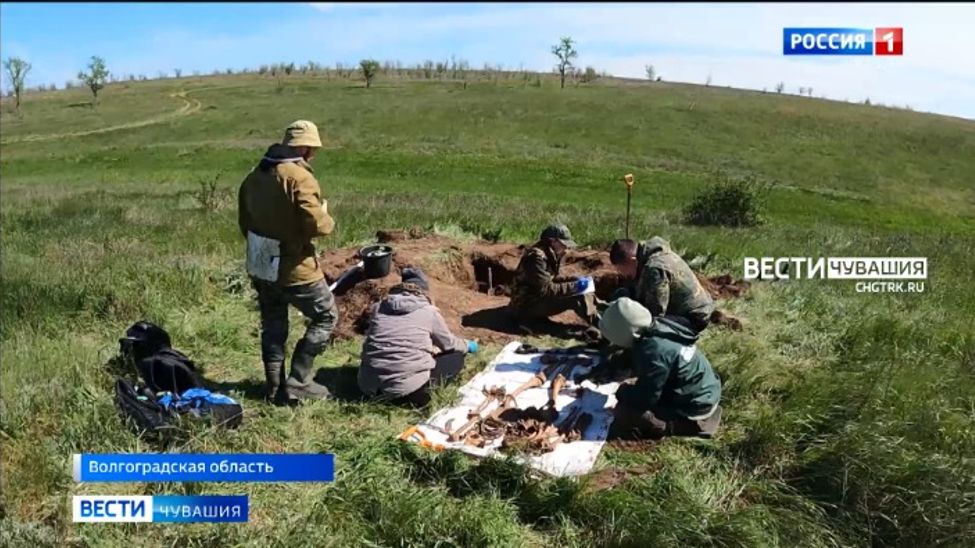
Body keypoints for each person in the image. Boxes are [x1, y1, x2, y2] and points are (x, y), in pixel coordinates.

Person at [238, 120, 338, 404]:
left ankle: (274, 388)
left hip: (260, 264)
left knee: (273, 324)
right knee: (326, 316)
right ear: (305, 147)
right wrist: (326, 217)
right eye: (313, 149)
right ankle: (300, 380)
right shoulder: (299, 177)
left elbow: (245, 223)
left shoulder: (254, 176)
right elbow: (317, 224)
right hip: (295, 268)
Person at [601, 297, 722, 439]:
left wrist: (624, 392)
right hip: (706, 388)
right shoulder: (660, 327)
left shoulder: (654, 351)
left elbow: (646, 397)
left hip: (697, 404)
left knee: (626, 412)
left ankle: (669, 426)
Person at [358, 267, 479, 408]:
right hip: (404, 392)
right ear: (422, 291)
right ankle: (412, 396)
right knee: (456, 358)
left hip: (368, 387)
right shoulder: (429, 312)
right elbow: (449, 344)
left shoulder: (378, 308)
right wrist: (468, 345)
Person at [609, 236, 714, 334]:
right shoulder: (649, 256)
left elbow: (655, 315)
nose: (622, 274)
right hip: (688, 308)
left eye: (622, 269)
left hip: (694, 316)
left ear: (632, 261)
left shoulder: (655, 269)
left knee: (649, 331)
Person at [509, 224, 598, 328]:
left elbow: (550, 279)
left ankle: (605, 311)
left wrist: (575, 281)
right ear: (552, 241)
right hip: (525, 305)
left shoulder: (549, 253)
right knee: (577, 296)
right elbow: (546, 289)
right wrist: (576, 286)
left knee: (584, 291)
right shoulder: (536, 258)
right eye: (563, 244)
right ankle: (603, 327)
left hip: (535, 297)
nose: (566, 247)